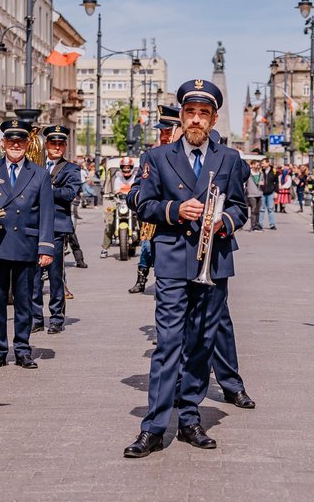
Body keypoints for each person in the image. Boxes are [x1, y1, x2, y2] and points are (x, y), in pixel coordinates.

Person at [123, 79, 248, 458]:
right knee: (168, 342)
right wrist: (175, 210)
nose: (196, 120)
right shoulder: (157, 158)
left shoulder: (229, 159)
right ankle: (155, 426)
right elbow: (142, 205)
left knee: (201, 344)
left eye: (203, 114)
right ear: (181, 116)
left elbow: (241, 208)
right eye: (190, 113)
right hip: (175, 259)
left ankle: (191, 418)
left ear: (213, 119)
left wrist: (223, 220)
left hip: (214, 261)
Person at [0, 119, 55, 370]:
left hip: (26, 243)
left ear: (27, 144)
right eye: (10, 141)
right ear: (2, 144)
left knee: (24, 301)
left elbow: (47, 212)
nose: (15, 145)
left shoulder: (40, 173)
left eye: (20, 141)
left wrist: (45, 248)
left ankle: (22, 349)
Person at [126, 104, 181, 295]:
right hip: (157, 226)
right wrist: (147, 198)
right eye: (162, 133)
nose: (164, 137)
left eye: (168, 132)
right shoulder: (150, 157)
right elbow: (133, 194)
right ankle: (142, 280)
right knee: (147, 249)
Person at [31, 125, 80, 332]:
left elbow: (69, 194)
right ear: (46, 145)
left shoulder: (71, 169)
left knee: (55, 275)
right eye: (53, 143)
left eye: (61, 144)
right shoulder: (35, 166)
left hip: (57, 227)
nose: (57, 147)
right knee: (33, 276)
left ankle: (57, 318)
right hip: (35, 226)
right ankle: (35, 318)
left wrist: (46, 188)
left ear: (65, 146)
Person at [100, 156, 137, 258]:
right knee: (110, 223)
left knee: (142, 219)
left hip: (132, 204)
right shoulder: (118, 178)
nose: (126, 169)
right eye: (124, 167)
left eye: (128, 167)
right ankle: (105, 248)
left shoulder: (135, 178)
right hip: (120, 203)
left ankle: (146, 244)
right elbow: (116, 190)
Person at [258, 158, 277, 230]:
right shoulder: (261, 171)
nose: (262, 165)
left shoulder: (274, 171)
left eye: (263, 163)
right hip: (262, 192)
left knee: (271, 209)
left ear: (268, 163)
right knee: (261, 209)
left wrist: (276, 191)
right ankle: (260, 224)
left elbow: (276, 182)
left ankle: (272, 224)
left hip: (270, 192)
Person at [245, 159, 262, 231]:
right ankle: (252, 225)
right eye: (257, 165)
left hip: (259, 193)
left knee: (258, 210)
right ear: (252, 165)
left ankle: (257, 225)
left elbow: (263, 181)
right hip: (251, 194)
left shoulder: (260, 173)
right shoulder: (249, 173)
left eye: (258, 165)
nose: (258, 166)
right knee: (253, 210)